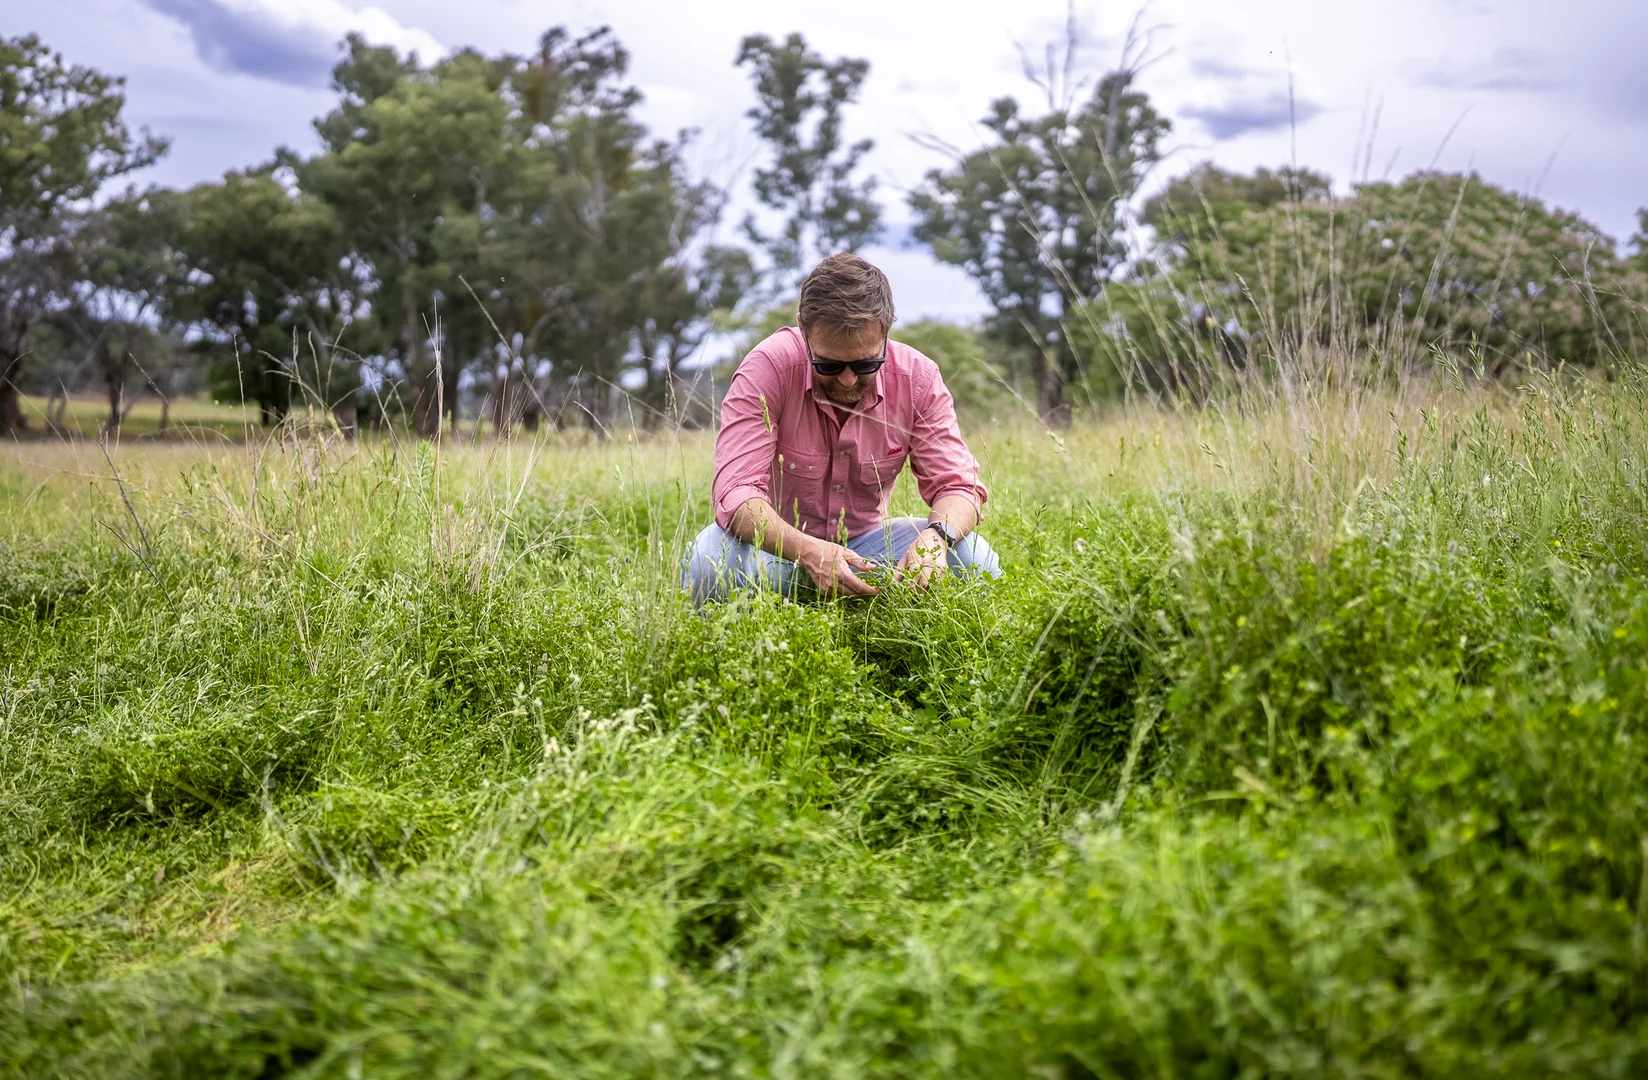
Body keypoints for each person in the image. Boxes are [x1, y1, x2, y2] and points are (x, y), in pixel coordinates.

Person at [682, 253, 1001, 603]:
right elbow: (736, 492)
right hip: (776, 552)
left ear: (886, 329)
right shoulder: (767, 368)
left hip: (867, 551)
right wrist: (807, 550)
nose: (848, 380)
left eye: (866, 363)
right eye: (829, 364)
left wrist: (937, 537)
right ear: (803, 328)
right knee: (708, 559)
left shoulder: (918, 378)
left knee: (974, 558)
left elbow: (958, 485)